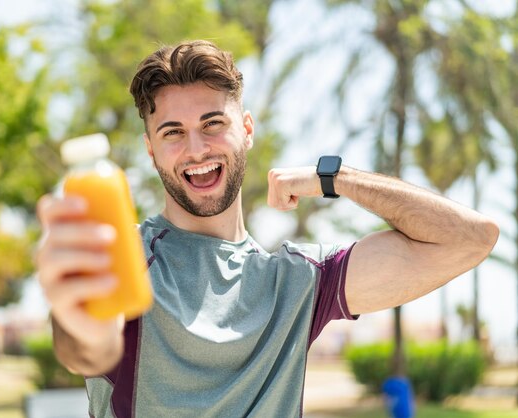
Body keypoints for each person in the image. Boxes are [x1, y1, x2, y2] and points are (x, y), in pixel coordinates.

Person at [35, 40, 499, 418]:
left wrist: (334, 177)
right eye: (172, 132)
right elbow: (88, 349)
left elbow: (470, 238)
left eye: (212, 123)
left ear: (248, 129)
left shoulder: (298, 280)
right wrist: (77, 325)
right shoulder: (125, 254)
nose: (196, 149)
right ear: (151, 150)